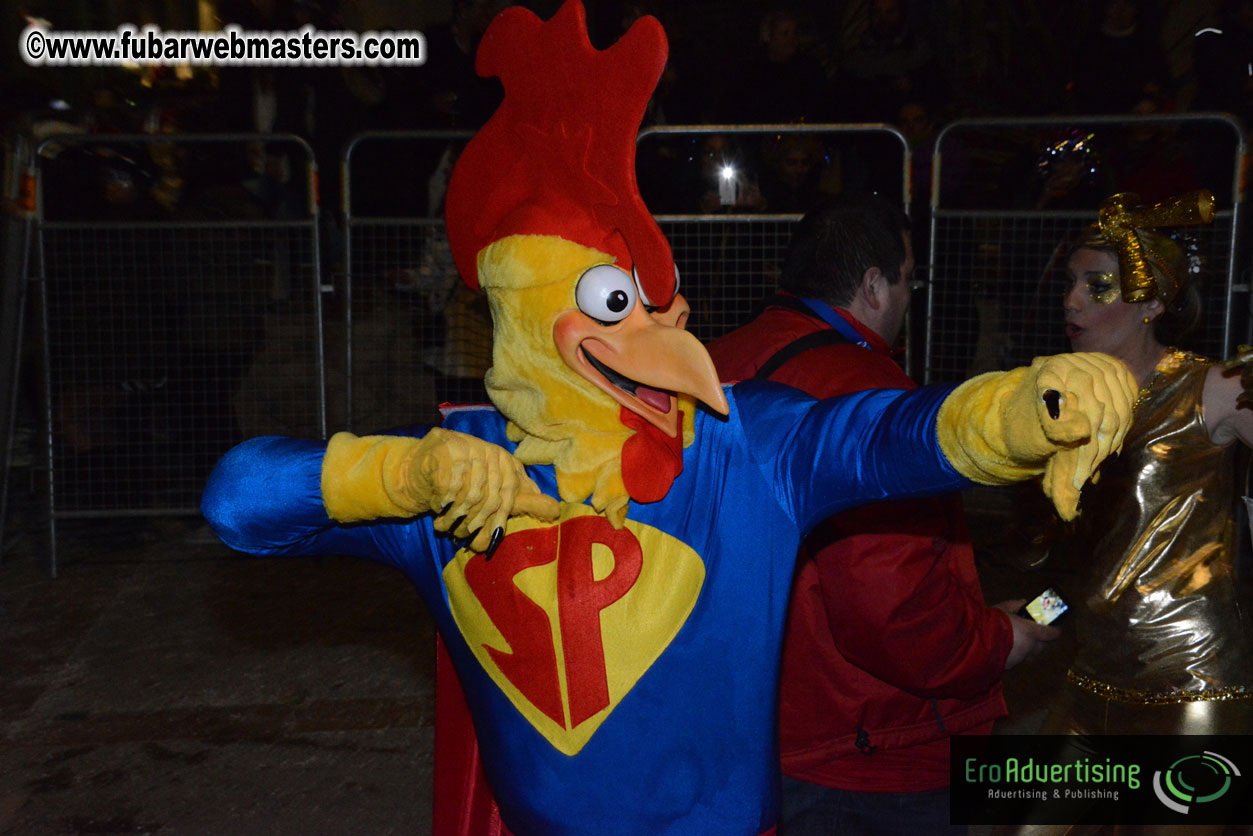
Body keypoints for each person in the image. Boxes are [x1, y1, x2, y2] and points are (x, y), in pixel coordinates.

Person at [201, 4, 1136, 834]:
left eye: (660, 306)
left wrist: (1020, 411)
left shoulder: (743, 446)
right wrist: (400, 477)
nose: (659, 341)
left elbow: (886, 436)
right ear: (526, 319)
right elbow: (239, 501)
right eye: (614, 307)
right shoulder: (457, 480)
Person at [707, 194, 1059, 836]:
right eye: (908, 280)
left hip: (741, 729)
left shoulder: (710, 366)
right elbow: (889, 609)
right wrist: (998, 641)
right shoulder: (868, 396)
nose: (908, 299)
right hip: (865, 751)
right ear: (873, 285)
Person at [1033, 188, 1253, 738]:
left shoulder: (1212, 388)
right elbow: (1079, 552)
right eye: (1071, 283)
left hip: (1196, 679)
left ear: (1153, 304)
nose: (1072, 300)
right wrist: (1029, 618)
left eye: (1097, 285)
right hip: (1090, 672)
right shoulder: (1058, 397)